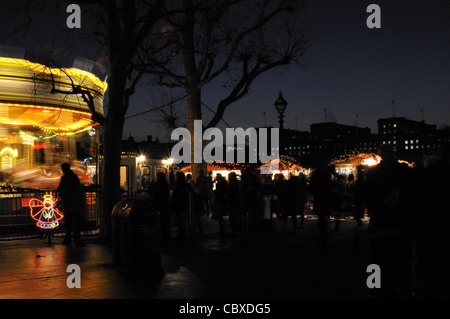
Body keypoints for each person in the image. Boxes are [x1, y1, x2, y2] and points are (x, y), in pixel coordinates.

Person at [364, 144, 416, 297]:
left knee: (382, 254)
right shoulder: (401, 170)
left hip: (392, 216)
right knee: (391, 253)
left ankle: (377, 285)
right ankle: (395, 284)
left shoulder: (376, 172)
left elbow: (367, 194)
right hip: (392, 216)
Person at [57, 162, 85, 247]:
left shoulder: (65, 178)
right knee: (76, 221)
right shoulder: (74, 177)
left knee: (68, 222)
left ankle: (68, 239)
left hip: (68, 202)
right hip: (75, 201)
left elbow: (60, 189)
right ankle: (77, 239)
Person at [150, 172, 171, 240]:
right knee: (165, 220)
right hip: (165, 204)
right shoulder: (166, 184)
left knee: (160, 220)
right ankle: (166, 234)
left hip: (159, 204)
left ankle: (160, 234)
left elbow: (152, 191)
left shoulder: (157, 185)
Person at [171, 171, 189, 238]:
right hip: (183, 203)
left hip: (179, 204)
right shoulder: (184, 185)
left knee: (180, 219)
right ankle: (182, 232)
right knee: (182, 219)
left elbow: (176, 195)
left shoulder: (178, 186)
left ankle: (181, 232)